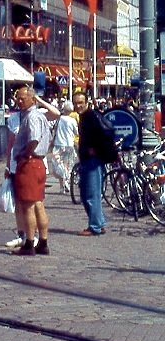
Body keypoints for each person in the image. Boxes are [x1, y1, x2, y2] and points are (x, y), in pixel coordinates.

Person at [8, 87, 53, 255]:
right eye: (17, 98)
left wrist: (26, 155)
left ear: (32, 99)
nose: (19, 101)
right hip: (38, 163)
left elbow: (33, 138)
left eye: (22, 99)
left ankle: (29, 244)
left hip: (30, 163)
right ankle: (43, 242)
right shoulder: (39, 116)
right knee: (38, 204)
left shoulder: (32, 117)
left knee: (27, 206)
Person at [72, 91, 110, 236]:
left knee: (90, 193)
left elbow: (105, 133)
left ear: (86, 102)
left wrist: (95, 150)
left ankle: (94, 226)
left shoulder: (90, 116)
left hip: (92, 160)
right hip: (88, 159)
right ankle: (99, 223)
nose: (78, 105)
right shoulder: (85, 116)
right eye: (76, 103)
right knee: (87, 192)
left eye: (81, 102)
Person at [48, 100, 78, 194]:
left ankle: (62, 186)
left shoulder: (59, 119)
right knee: (67, 166)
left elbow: (54, 130)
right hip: (69, 145)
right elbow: (76, 132)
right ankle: (66, 182)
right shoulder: (72, 120)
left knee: (58, 165)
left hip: (58, 144)